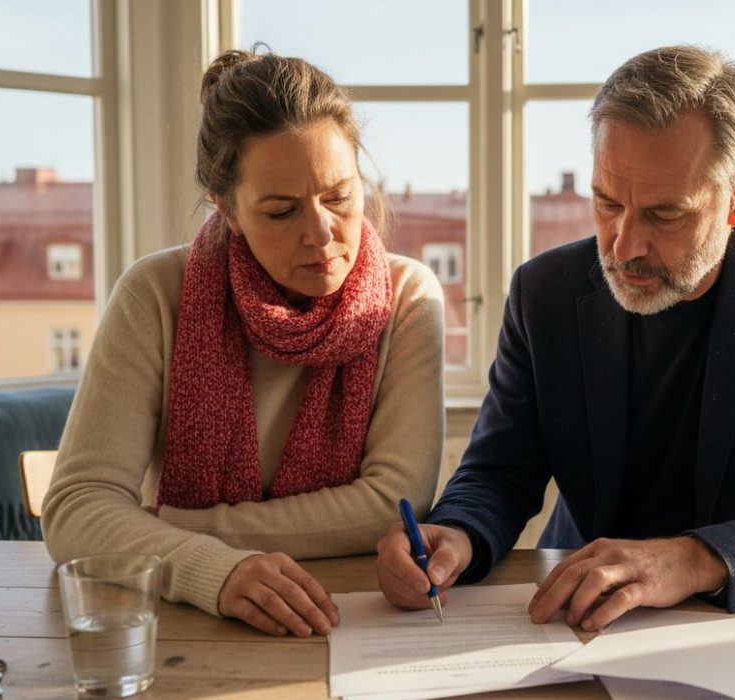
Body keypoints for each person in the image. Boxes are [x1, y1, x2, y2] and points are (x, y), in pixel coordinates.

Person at [376, 45, 735, 630]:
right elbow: (498, 471)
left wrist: (699, 558)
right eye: (606, 202)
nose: (623, 247)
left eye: (665, 215)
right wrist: (460, 532)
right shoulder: (542, 292)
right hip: (575, 615)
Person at [44, 48, 445, 638]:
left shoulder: (409, 296)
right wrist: (211, 569)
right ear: (227, 209)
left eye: (339, 197)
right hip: (183, 622)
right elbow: (77, 507)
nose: (322, 234)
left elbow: (391, 502)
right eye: (282, 211)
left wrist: (173, 527)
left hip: (356, 618)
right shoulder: (156, 294)